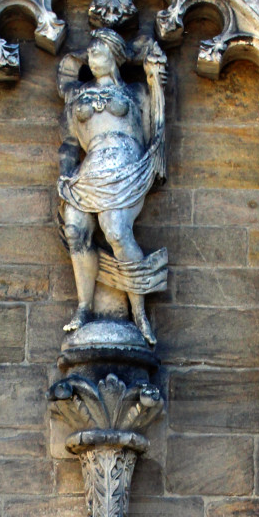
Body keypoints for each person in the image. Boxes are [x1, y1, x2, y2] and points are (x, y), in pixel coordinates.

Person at [57, 28, 168, 345]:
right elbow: (68, 143)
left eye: (99, 51)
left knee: (117, 231)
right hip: (88, 169)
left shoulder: (137, 93)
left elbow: (155, 127)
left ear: (115, 55)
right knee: (76, 232)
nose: (93, 57)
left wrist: (156, 77)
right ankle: (84, 307)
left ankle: (138, 312)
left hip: (124, 167)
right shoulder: (77, 98)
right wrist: (65, 172)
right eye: (90, 52)